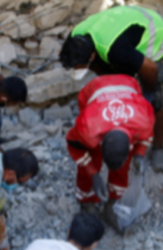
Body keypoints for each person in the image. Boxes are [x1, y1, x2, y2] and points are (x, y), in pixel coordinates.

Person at [59, 6, 163, 171]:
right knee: (116, 82)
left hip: (154, 36)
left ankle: (158, 148)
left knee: (157, 100)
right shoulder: (75, 38)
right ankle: (121, 130)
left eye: (83, 66)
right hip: (125, 27)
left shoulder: (115, 51)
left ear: (92, 56)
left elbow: (151, 69)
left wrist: (147, 95)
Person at [65, 75, 154, 207]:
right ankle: (86, 201)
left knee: (122, 168)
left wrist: (139, 154)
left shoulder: (144, 120)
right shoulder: (88, 127)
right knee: (92, 154)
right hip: (93, 91)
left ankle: (112, 202)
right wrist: (93, 173)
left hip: (129, 84)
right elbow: (74, 145)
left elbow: (146, 136)